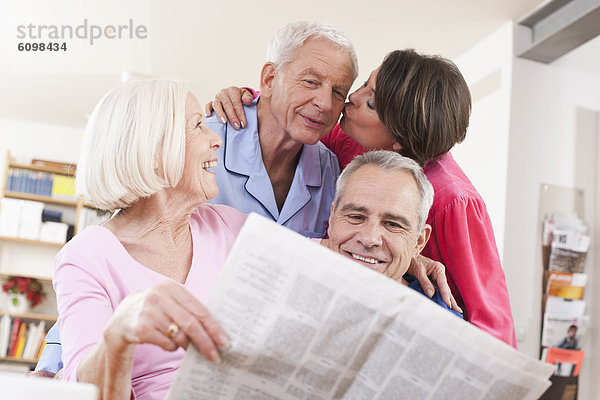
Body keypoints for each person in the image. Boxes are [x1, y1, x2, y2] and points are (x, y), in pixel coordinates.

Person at [206, 49, 516, 347]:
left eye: (371, 103)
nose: (351, 98)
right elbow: (295, 117)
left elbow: (493, 325)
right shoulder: (354, 143)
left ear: (397, 140)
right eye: (365, 84)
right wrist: (248, 97)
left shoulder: (454, 201)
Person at [53, 79, 245, 400]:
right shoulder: (87, 257)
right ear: (155, 149)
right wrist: (121, 332)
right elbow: (84, 390)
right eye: (197, 125)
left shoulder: (227, 225)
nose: (215, 140)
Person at [205, 21, 356, 238]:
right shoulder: (203, 144)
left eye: (338, 93)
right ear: (269, 80)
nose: (325, 104)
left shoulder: (332, 171)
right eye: (311, 82)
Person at [321, 150, 461, 317]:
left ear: (419, 242)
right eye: (356, 217)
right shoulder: (291, 278)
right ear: (332, 218)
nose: (369, 239)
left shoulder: (441, 325)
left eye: (392, 224)